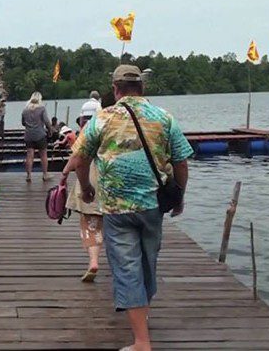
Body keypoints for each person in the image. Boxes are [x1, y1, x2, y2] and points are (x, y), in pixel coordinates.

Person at [67, 65, 193, 351]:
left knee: (127, 268)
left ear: (115, 89)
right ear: (142, 88)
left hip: (116, 208)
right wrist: (179, 197)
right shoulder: (164, 117)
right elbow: (181, 162)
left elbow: (80, 160)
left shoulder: (101, 119)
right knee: (148, 263)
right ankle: (141, 317)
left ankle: (141, 342)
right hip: (152, 206)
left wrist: (86, 188)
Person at [61, 118, 103, 283]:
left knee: (91, 225)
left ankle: (93, 262)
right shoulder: (121, 124)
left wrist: (65, 172)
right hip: (117, 183)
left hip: (92, 180)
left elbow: (77, 157)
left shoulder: (91, 128)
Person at [21, 92, 52, 182]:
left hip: (29, 135)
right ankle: (45, 174)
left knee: (29, 155)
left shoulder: (25, 110)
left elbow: (23, 123)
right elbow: (47, 121)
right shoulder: (42, 108)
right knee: (43, 155)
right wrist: (50, 130)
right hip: (40, 135)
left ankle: (29, 175)